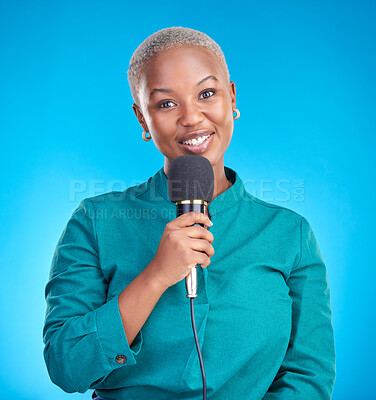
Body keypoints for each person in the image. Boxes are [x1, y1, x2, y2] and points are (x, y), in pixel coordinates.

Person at [43, 27, 336, 399]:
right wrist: (156, 276)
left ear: (231, 98)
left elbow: (308, 376)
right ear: (142, 119)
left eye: (207, 94)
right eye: (166, 104)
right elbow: (66, 365)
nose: (191, 117)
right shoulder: (95, 222)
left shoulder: (289, 233)